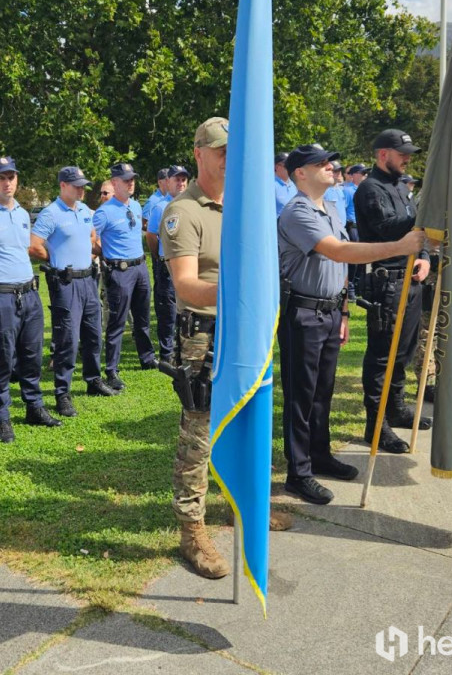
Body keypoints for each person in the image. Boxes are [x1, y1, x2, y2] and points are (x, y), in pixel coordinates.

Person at [160, 117, 292, 581]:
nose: (229, 160)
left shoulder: (245, 207)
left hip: (246, 330)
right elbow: (186, 286)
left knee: (248, 419)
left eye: (235, 152)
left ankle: (245, 508)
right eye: (221, 151)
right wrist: (240, 291)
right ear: (199, 153)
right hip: (205, 334)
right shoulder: (183, 211)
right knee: (199, 434)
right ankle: (192, 529)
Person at [277, 145, 425, 504]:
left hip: (328, 311)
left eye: (330, 162)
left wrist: (343, 311)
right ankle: (299, 472)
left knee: (322, 391)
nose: (331, 167)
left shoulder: (330, 207)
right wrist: (400, 246)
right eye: (321, 163)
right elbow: (339, 252)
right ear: (300, 173)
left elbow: (341, 268)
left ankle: (320, 454)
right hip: (303, 311)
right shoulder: (298, 212)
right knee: (301, 394)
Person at [0, 156, 61, 443]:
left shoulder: (20, 212)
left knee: (32, 354)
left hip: (28, 293)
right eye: (1, 177)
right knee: (1, 358)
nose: (7, 182)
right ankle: (1, 416)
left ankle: (34, 406)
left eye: (12, 177)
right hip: (0, 297)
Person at [355, 129, 432, 454]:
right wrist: (425, 211)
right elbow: (389, 228)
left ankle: (396, 407)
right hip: (386, 283)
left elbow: (417, 235)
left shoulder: (399, 186)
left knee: (405, 351)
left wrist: (425, 258)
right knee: (382, 357)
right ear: (382, 154)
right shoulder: (370, 189)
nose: (407, 158)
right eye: (402, 153)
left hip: (410, 278)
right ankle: (376, 425)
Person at [31, 166, 118, 417]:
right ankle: (62, 392)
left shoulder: (85, 211)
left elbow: (92, 238)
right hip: (65, 282)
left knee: (93, 333)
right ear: (63, 186)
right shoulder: (50, 214)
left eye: (83, 185)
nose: (82, 189)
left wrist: (93, 252)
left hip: (88, 280)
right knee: (68, 339)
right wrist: (55, 258)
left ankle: (93, 380)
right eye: (76, 185)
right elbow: (34, 245)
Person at [93, 162, 158, 390]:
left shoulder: (136, 206)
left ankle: (147, 358)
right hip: (120, 271)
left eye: (132, 179)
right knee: (118, 322)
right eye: (126, 180)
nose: (131, 183)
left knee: (142, 319)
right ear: (114, 183)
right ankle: (111, 370)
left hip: (140, 267)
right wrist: (105, 254)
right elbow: (90, 238)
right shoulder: (104, 212)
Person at [146, 165, 190, 365]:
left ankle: (185, 348)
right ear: (168, 182)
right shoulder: (160, 207)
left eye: (183, 180)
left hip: (189, 264)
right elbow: (151, 236)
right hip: (168, 265)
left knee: (187, 308)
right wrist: (158, 257)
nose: (180, 183)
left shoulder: (192, 204)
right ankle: (166, 353)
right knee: (167, 310)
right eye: (176, 180)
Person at [343, 164, 366, 300]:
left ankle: (357, 285)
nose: (364, 176)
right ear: (353, 175)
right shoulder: (347, 190)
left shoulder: (363, 189)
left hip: (362, 226)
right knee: (353, 258)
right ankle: (350, 287)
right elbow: (342, 208)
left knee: (362, 258)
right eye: (361, 173)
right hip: (352, 226)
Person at [274, 151, 297, 216]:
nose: (291, 168)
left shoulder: (293, 185)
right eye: (287, 165)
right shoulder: (271, 185)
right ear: (277, 167)